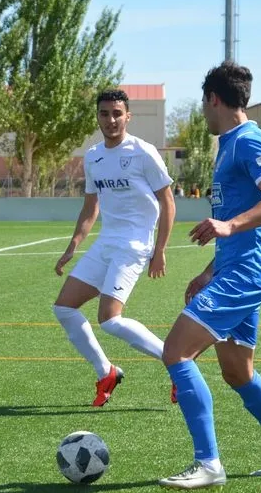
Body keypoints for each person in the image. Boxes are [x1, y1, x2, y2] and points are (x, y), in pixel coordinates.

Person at [157, 61, 261, 489]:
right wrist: (210, 270)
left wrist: (228, 225)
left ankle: (208, 464)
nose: (203, 113)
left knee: (176, 352)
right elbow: (238, 221)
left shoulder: (247, 139)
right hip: (236, 268)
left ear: (213, 99)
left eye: (203, 104)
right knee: (237, 371)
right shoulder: (229, 145)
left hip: (248, 272)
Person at [53, 89, 176, 406]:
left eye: (117, 113)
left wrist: (160, 249)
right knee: (64, 308)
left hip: (133, 245)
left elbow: (168, 202)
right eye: (104, 114)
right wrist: (73, 246)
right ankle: (105, 371)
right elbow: (90, 207)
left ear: (128, 116)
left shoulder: (143, 152)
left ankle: (178, 364)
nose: (111, 120)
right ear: (97, 117)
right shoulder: (93, 157)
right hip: (106, 242)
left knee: (109, 319)